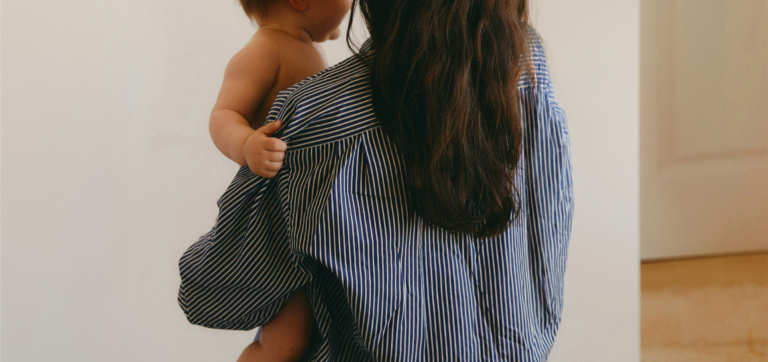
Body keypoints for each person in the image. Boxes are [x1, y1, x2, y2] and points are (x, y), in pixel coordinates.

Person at [179, 0, 574, 360]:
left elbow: (213, 294)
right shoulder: (528, 66)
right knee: (280, 342)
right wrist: (246, 144)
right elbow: (552, 234)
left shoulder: (321, 113)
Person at [204, 0, 351, 360]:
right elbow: (224, 115)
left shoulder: (307, 48)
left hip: (315, 220)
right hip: (281, 226)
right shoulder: (265, 50)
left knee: (320, 329)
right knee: (286, 342)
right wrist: (247, 144)